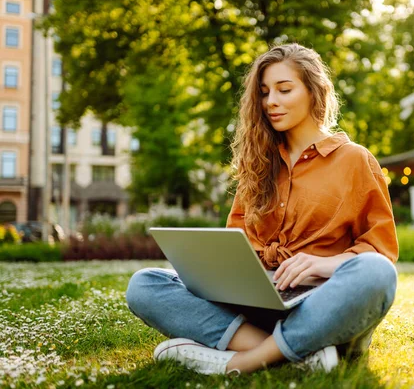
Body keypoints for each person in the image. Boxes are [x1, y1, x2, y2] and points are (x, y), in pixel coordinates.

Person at [126, 43, 399, 376]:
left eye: (284, 90)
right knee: (145, 284)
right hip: (259, 301)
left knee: (376, 274)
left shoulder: (354, 159)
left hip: (323, 302)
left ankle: (243, 361)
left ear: (315, 92)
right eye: (265, 92)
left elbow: (380, 251)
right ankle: (298, 350)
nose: (271, 101)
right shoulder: (257, 164)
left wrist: (322, 265)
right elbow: (235, 243)